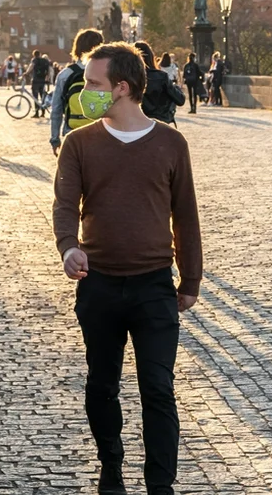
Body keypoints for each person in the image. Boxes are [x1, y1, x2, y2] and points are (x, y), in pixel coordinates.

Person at [53, 42, 201, 495]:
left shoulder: (171, 143)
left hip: (153, 285)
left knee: (158, 387)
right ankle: (111, 468)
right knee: (102, 385)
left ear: (121, 87)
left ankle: (160, 485)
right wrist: (68, 248)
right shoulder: (79, 143)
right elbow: (64, 205)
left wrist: (190, 278)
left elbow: (185, 214)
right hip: (98, 284)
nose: (84, 91)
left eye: (93, 83)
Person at [50, 29, 105, 156]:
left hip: (72, 132)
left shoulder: (65, 74)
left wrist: (55, 139)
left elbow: (56, 109)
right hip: (101, 133)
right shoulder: (107, 73)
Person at [136, 42, 185, 126]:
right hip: (159, 121)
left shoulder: (126, 78)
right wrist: (176, 87)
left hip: (134, 122)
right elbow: (180, 100)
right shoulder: (161, 77)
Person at [27, 49, 53, 118]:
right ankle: (43, 112)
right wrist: (47, 78)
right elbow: (48, 70)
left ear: (34, 55)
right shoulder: (45, 61)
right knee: (42, 96)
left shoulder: (34, 60)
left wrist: (26, 73)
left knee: (35, 97)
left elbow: (31, 66)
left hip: (35, 81)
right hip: (42, 81)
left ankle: (36, 113)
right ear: (40, 54)